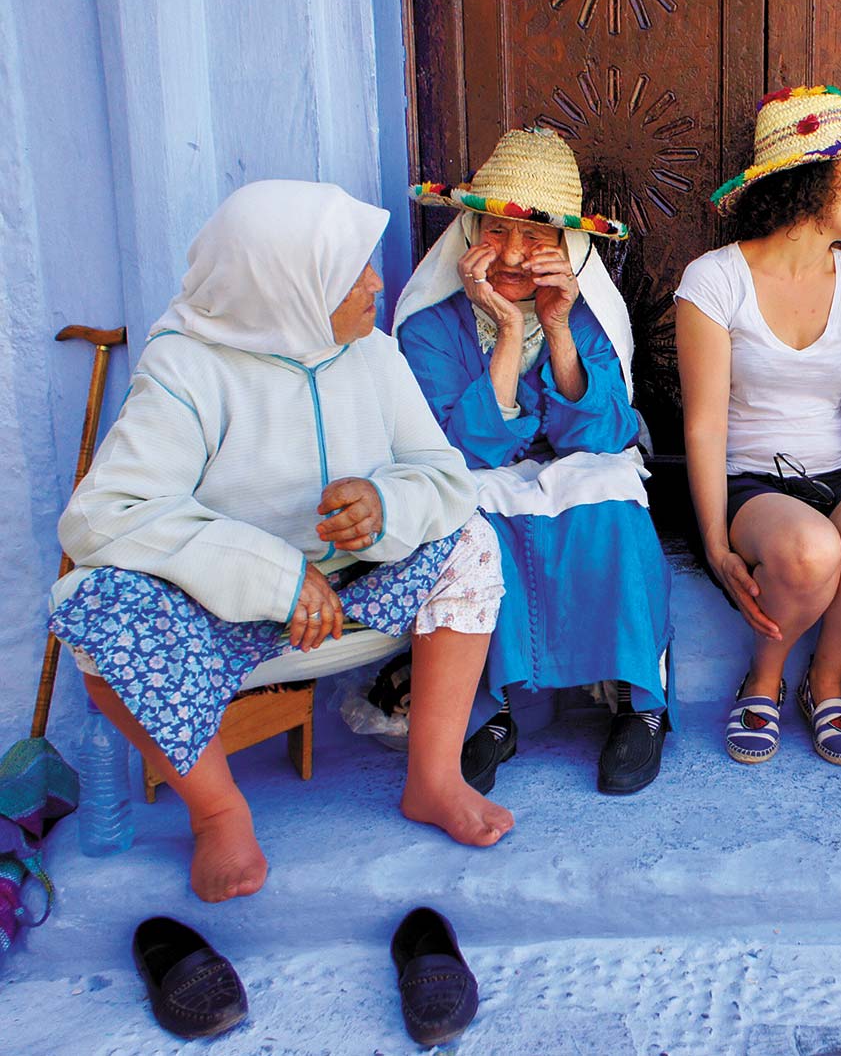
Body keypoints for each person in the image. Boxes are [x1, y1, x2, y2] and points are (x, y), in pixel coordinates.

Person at [48, 180, 513, 903]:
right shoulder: (187, 368)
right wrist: (269, 573)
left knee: (470, 542)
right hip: (220, 618)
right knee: (98, 616)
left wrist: (385, 505)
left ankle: (434, 776)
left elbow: (446, 479)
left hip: (353, 597)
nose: (376, 283)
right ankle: (218, 811)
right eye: (350, 271)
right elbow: (102, 517)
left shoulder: (372, 352)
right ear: (286, 287)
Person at [395, 128, 674, 796]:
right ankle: (490, 713)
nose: (516, 254)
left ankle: (644, 705)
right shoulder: (428, 325)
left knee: (612, 495)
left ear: (569, 245)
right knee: (473, 520)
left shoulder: (583, 315)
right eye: (498, 230)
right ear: (470, 229)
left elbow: (604, 434)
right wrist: (508, 333)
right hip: (479, 472)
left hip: (573, 466)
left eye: (538, 235)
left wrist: (551, 325)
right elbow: (462, 450)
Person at [675, 85, 841, 767]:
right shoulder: (714, 281)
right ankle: (764, 678)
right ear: (810, 175)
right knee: (810, 550)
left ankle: (826, 680)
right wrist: (713, 542)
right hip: (751, 480)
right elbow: (703, 426)